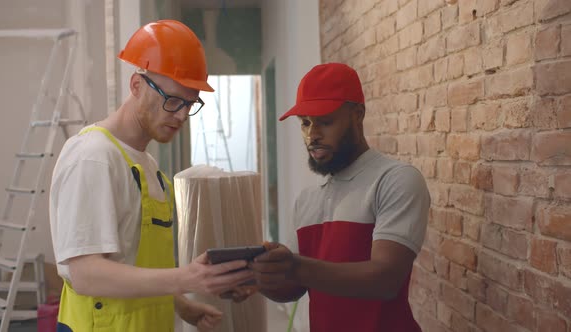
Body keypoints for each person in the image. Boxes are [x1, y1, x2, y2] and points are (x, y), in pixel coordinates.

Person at [49, 20, 252, 332]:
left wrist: (183, 306)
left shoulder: (150, 167)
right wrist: (186, 277)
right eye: (172, 100)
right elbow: (85, 273)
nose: (182, 115)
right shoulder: (93, 157)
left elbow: (133, 267)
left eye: (190, 103)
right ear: (136, 86)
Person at [248, 63, 430, 331]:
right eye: (305, 123)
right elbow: (293, 288)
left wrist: (293, 266)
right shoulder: (307, 200)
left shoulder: (396, 179)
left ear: (357, 114)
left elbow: (385, 278)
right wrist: (259, 278)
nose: (312, 135)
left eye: (325, 121)